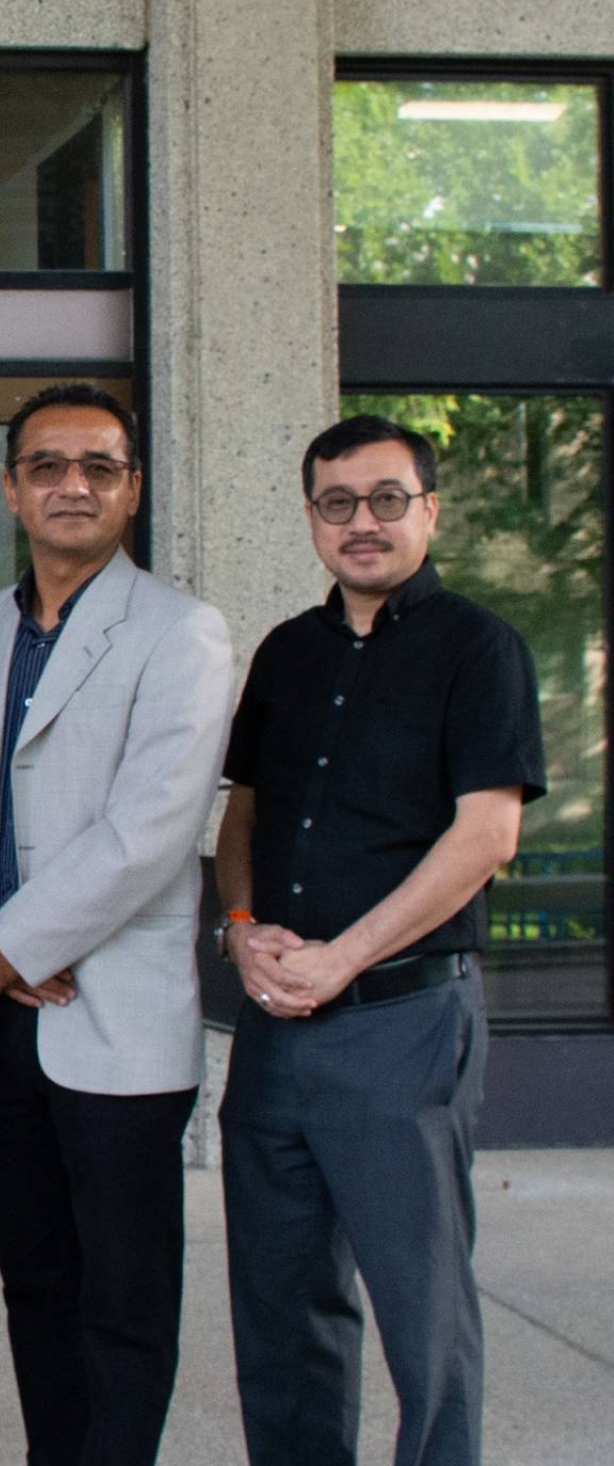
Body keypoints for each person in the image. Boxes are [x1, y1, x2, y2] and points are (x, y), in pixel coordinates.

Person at [218, 413, 541, 1466]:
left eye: (386, 499)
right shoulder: (286, 654)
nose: (362, 523)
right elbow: (244, 816)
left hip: (401, 1018)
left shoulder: (479, 649)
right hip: (275, 1037)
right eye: (336, 503)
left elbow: (485, 835)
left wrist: (339, 956)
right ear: (311, 516)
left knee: (423, 1316)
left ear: (428, 510)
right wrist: (240, 930)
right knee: (280, 1309)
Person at [0, 383, 233, 1466]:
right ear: (9, 488)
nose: (72, 485)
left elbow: (150, 829)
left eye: (98, 468)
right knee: (37, 1284)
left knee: (125, 1299)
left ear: (131, 490)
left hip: (117, 1019)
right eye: (47, 466)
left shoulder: (181, 633)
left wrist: (18, 943)